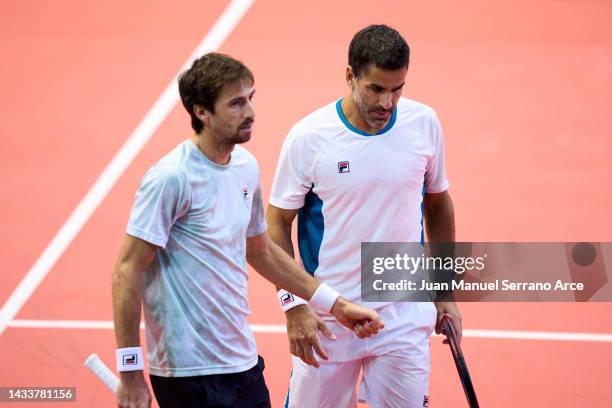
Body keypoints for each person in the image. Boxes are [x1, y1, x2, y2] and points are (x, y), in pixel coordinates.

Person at [111, 52, 384, 408]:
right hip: (189, 371)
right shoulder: (170, 179)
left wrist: (337, 305)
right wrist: (130, 373)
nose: (251, 112)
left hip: (242, 361)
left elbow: (262, 252)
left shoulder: (244, 167)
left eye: (251, 98)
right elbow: (126, 271)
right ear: (201, 112)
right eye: (236, 103)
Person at [267, 24, 462, 408]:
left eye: (397, 89)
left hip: (402, 312)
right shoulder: (310, 137)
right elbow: (275, 224)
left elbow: (438, 203)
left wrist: (444, 290)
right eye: (375, 88)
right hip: (328, 318)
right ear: (350, 76)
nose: (387, 102)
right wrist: (295, 307)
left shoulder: (423, 123)